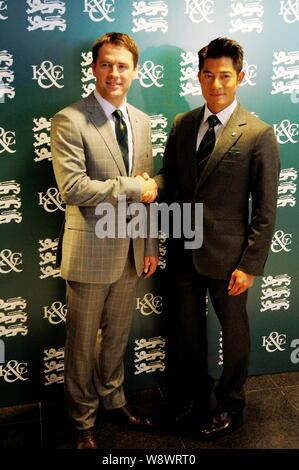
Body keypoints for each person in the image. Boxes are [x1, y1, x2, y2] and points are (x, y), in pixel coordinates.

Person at [155, 37, 280, 439]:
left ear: (240, 77)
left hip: (230, 258)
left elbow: (265, 208)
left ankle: (231, 404)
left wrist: (250, 264)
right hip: (183, 249)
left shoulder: (259, 133)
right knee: (187, 334)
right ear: (199, 77)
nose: (216, 84)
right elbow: (171, 180)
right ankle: (195, 398)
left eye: (225, 76)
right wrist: (149, 185)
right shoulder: (183, 123)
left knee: (235, 334)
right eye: (208, 75)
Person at [51, 32, 158, 449]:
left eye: (123, 65)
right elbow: (74, 188)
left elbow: (148, 191)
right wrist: (131, 186)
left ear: (135, 70)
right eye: (106, 64)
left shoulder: (143, 123)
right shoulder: (69, 119)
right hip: (90, 252)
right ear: (94, 68)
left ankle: (114, 399)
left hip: (132, 250)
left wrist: (149, 246)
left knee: (116, 337)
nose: (115, 73)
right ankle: (82, 420)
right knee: (80, 344)